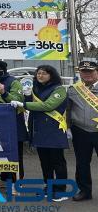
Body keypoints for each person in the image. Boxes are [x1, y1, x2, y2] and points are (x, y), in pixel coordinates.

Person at [10, 65, 69, 202]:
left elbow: (48, 105)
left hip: (55, 130)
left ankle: (60, 190)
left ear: (51, 75)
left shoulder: (58, 89)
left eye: (44, 73)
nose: (40, 76)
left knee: (58, 162)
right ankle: (48, 187)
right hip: (39, 131)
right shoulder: (35, 89)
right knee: (45, 162)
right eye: (38, 73)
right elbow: (26, 101)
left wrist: (23, 104)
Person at [0, 60, 27, 185]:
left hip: (13, 123)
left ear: (3, 69)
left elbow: (19, 100)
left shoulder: (13, 82)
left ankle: (16, 181)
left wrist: (4, 93)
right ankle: (4, 178)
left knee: (15, 153)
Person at [67, 60, 98, 201]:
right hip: (80, 131)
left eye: (90, 71)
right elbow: (67, 109)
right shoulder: (73, 89)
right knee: (82, 163)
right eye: (84, 72)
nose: (87, 74)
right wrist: (67, 126)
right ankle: (85, 191)